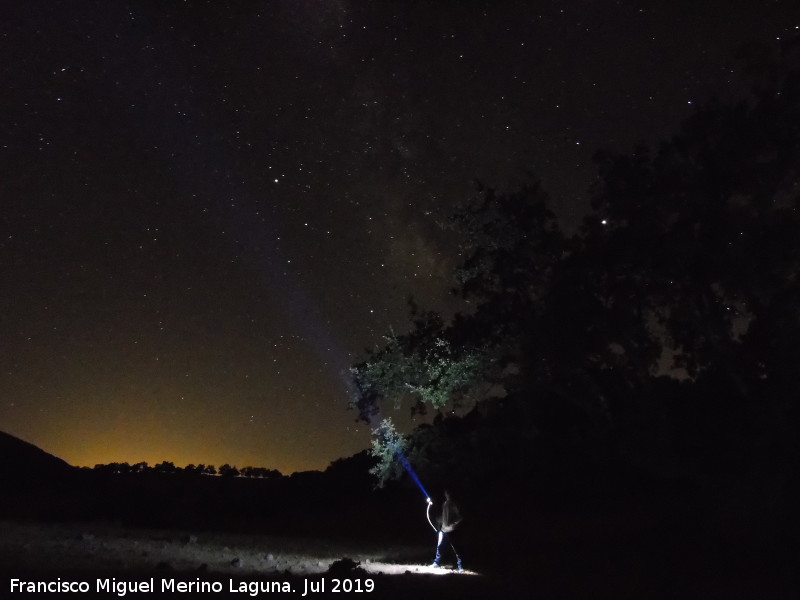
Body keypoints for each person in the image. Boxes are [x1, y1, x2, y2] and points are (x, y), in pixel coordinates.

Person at [430, 489, 463, 571]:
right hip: (444, 529)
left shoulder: (454, 504)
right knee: (440, 546)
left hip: (452, 530)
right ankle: (436, 563)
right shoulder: (445, 504)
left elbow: (460, 517)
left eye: (449, 492)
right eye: (446, 493)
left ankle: (460, 566)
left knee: (456, 548)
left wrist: (454, 525)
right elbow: (445, 516)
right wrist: (440, 520)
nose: (447, 494)